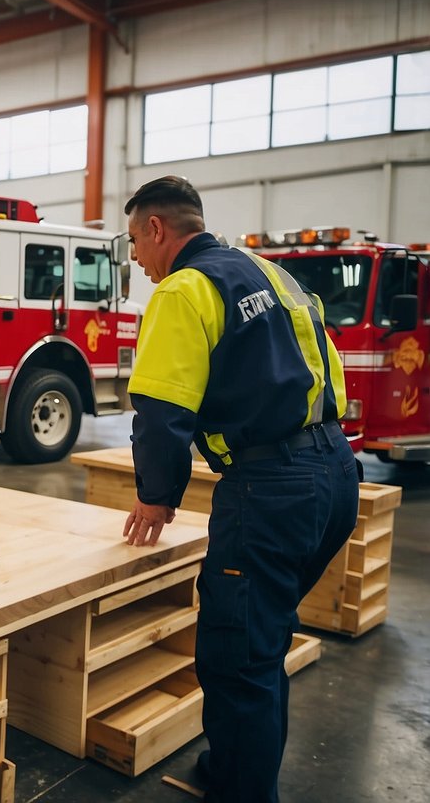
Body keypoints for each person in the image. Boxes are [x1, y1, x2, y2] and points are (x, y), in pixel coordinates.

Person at [119, 176, 360, 802]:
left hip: (272, 492)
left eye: (134, 244)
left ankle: (243, 792)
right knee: (262, 639)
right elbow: (324, 368)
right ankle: (231, 769)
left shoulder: (184, 289)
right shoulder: (269, 273)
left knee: (238, 657)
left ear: (156, 229)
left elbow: (161, 408)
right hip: (334, 473)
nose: (136, 262)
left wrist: (157, 494)